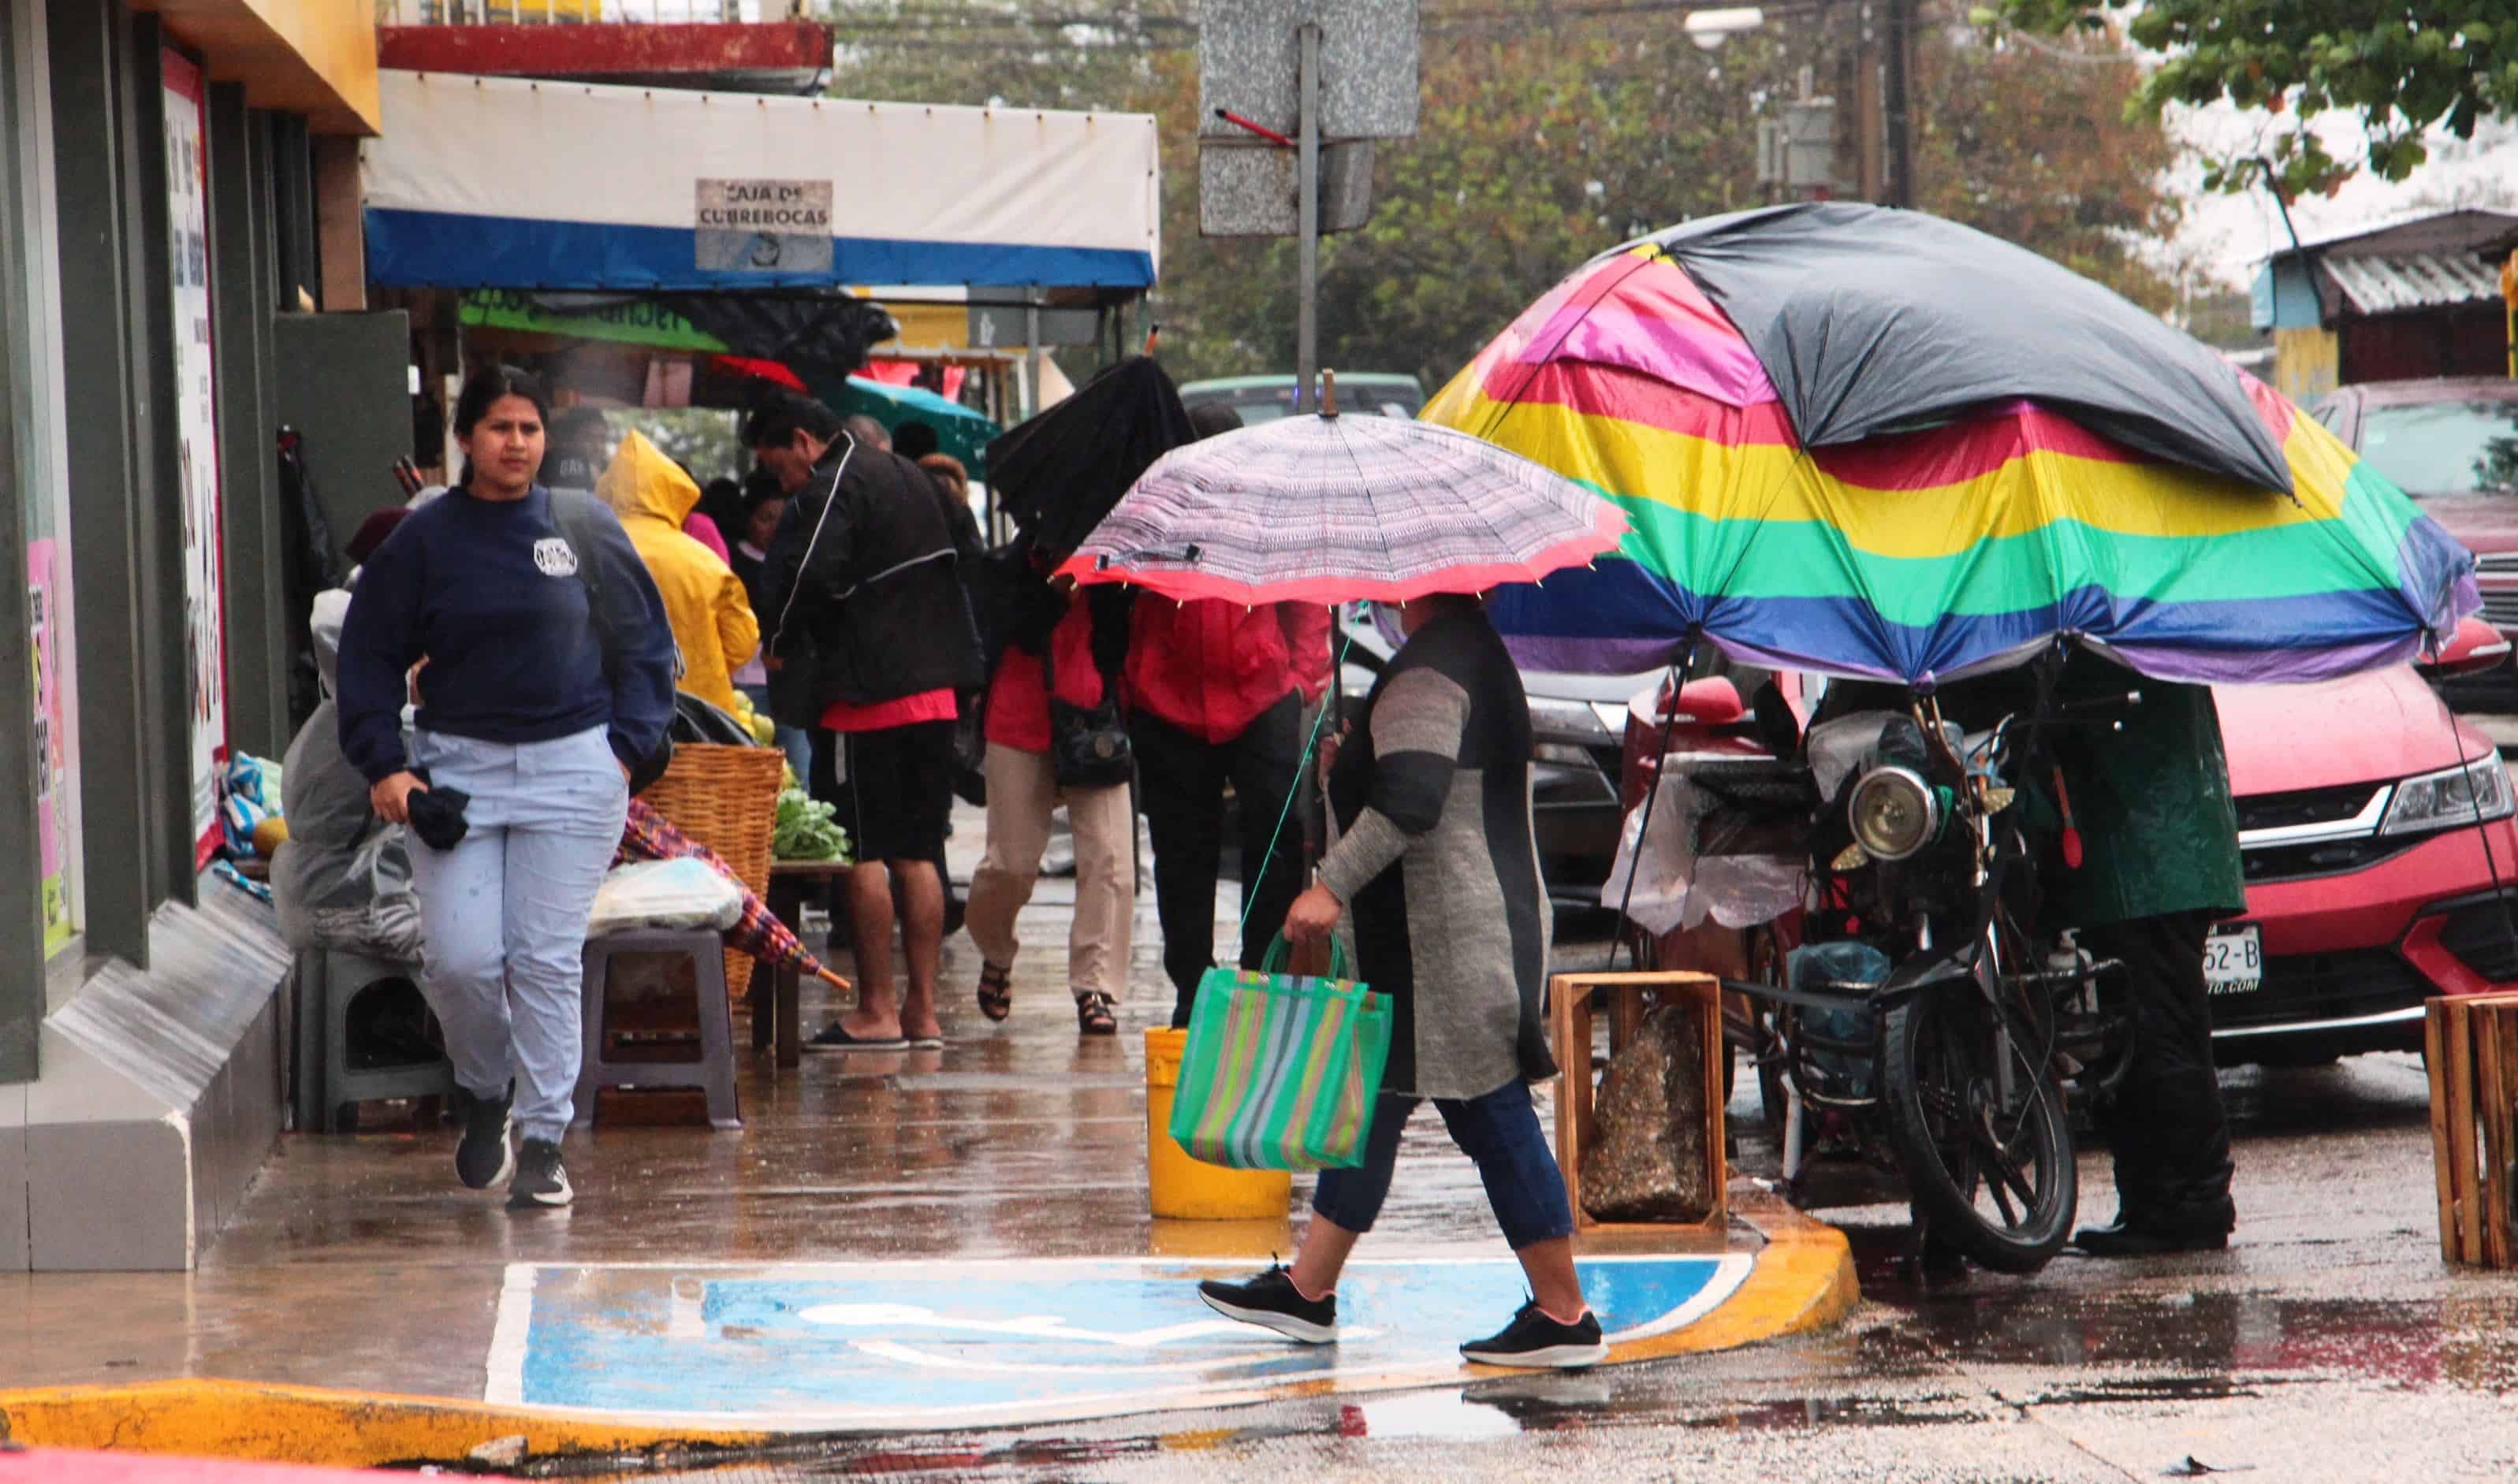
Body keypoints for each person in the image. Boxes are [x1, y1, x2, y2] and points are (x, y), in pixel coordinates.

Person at [1197, 593, 1604, 1369]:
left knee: (1490, 1112)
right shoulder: (1463, 651)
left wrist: (1329, 885)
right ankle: (1308, 1290)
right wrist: (1339, 772)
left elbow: (1411, 801)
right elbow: (1412, 783)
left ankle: (1562, 1312)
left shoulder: (1430, 669)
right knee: (1373, 1105)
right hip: (1434, 938)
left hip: (1445, 943)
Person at [336, 365, 676, 1209]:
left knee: (545, 959)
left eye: (529, 428)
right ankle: (484, 1089)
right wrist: (387, 766)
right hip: (459, 774)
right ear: (464, 439)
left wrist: (625, 752)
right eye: (498, 428)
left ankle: (544, 1138)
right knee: (459, 959)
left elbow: (644, 645)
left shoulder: (583, 526)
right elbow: (367, 654)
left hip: (574, 770)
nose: (516, 443)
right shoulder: (423, 539)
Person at [750, 392, 981, 1051]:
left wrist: (783, 635)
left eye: (781, 469)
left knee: (860, 850)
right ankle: (924, 1012)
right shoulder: (913, 476)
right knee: (918, 851)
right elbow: (966, 558)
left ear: (803, 441)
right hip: (937, 694)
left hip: (869, 695)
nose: (786, 484)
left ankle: (876, 1009)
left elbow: (806, 572)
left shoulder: (837, 483)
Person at [1129, 403, 1330, 1027]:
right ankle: (1193, 988)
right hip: (1169, 698)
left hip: (1259, 692)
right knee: (1183, 851)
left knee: (1270, 839)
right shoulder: (1151, 509)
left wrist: (1302, 677)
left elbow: (1306, 589)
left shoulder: (1273, 506)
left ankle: (1258, 975)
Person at [965, 552, 1134, 1036]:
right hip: (1019, 720)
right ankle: (996, 951)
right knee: (1009, 864)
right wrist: (1055, 590)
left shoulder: (1116, 566)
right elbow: (1010, 631)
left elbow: (1124, 642)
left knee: (1110, 861)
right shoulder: (1009, 569)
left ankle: (1095, 987)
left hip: (1093, 721)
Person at [596, 429, 759, 715]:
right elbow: (741, 643)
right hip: (698, 717)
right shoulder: (705, 562)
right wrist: (698, 667)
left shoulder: (585, 550)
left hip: (608, 715)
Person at [728, 474, 811, 780]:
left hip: (790, 679)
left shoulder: (798, 562)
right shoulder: (732, 561)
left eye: (782, 519)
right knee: (755, 768)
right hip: (747, 680)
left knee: (800, 769)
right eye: (766, 518)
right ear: (748, 519)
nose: (774, 528)